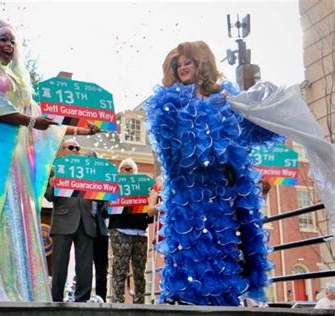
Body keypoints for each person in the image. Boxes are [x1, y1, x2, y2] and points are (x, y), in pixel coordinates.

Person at [0, 19, 99, 302]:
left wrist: (83, 129)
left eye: (12, 41)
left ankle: (19, 286)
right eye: (2, 39)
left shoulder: (19, 80)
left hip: (15, 166)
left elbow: (45, 122)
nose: (8, 46)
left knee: (15, 220)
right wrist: (31, 120)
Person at [145, 41, 285, 306]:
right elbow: (171, 152)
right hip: (188, 191)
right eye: (179, 64)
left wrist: (275, 108)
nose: (183, 67)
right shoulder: (169, 102)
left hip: (220, 193)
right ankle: (185, 300)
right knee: (189, 247)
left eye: (189, 62)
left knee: (221, 247)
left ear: (203, 64)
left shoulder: (225, 97)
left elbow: (249, 129)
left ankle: (221, 302)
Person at [45, 139, 96, 302]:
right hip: (63, 221)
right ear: (60, 151)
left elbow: (99, 194)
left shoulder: (88, 170)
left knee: (85, 265)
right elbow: (48, 196)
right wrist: (52, 186)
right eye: (71, 147)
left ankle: (82, 300)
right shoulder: (53, 169)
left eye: (78, 147)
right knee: (59, 264)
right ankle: (56, 300)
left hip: (86, 221)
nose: (75, 149)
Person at [109, 158, 154, 304]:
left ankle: (140, 303)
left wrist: (153, 210)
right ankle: (117, 301)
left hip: (140, 232)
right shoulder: (113, 189)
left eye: (129, 169)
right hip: (120, 230)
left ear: (135, 172)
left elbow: (149, 216)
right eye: (123, 168)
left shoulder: (144, 188)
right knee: (119, 269)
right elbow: (104, 211)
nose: (126, 171)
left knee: (140, 271)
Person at [85, 150, 109, 302]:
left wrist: (108, 204)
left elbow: (107, 212)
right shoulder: (78, 179)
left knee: (102, 268)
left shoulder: (104, 182)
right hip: (84, 226)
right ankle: (83, 297)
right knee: (84, 264)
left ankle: (102, 297)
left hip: (101, 228)